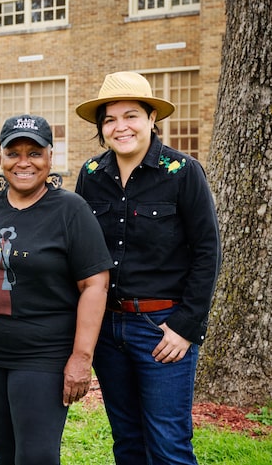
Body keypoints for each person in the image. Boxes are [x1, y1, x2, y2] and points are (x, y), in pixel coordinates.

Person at [74, 71, 221, 465]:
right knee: (127, 442)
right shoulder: (90, 176)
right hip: (107, 331)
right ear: (101, 128)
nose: (120, 127)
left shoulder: (183, 172)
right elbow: (79, 252)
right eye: (109, 119)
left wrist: (186, 327)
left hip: (162, 331)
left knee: (168, 446)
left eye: (131, 115)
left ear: (152, 118)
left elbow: (208, 252)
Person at [0, 114, 112, 465]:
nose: (24, 162)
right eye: (13, 152)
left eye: (35, 152)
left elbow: (95, 284)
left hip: (42, 355)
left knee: (36, 457)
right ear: (1, 157)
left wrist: (81, 357)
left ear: (50, 157)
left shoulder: (70, 210)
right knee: (4, 453)